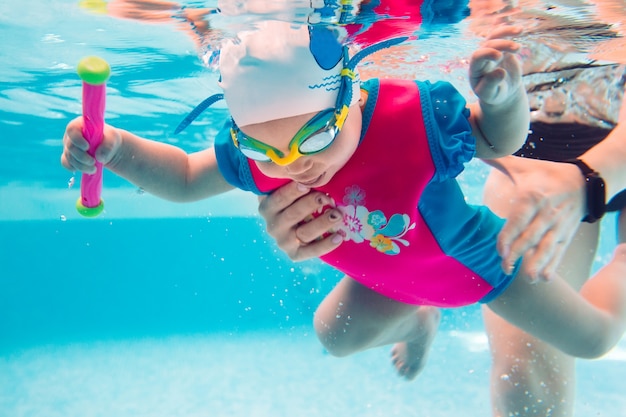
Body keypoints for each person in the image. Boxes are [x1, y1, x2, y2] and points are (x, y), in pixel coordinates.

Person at [61, 20, 626, 384]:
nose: (293, 164)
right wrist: (113, 147)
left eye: (317, 138)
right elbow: (185, 178)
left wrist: (504, 98)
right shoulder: (259, 153)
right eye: (266, 150)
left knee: (595, 337)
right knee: (334, 336)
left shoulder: (415, 118)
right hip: (388, 282)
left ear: (350, 95)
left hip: (481, 266)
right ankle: (417, 321)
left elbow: (499, 141)